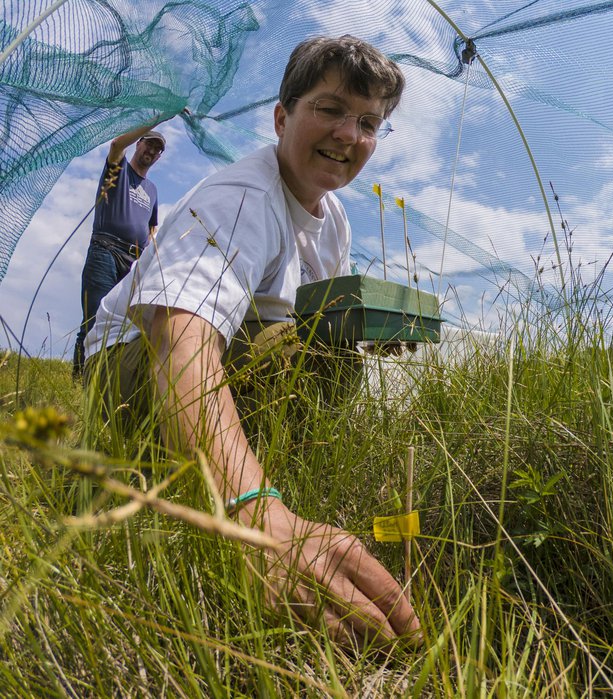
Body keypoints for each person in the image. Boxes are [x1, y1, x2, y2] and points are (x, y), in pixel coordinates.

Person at [83, 35, 420, 647]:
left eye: (370, 122)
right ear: (282, 117)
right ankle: (208, 485)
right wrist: (255, 514)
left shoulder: (334, 218)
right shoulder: (242, 197)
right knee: (285, 350)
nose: (349, 134)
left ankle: (248, 467)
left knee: (326, 351)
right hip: (121, 368)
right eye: (331, 109)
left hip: (214, 362)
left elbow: (317, 325)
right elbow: (175, 334)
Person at [72, 121, 176, 377]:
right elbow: (117, 144)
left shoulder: (152, 190)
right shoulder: (117, 169)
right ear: (138, 143)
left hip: (132, 263)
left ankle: (110, 376)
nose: (151, 151)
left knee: (124, 324)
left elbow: (152, 227)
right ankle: (80, 377)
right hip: (105, 250)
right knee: (95, 319)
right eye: (148, 144)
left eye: (157, 149)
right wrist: (159, 118)